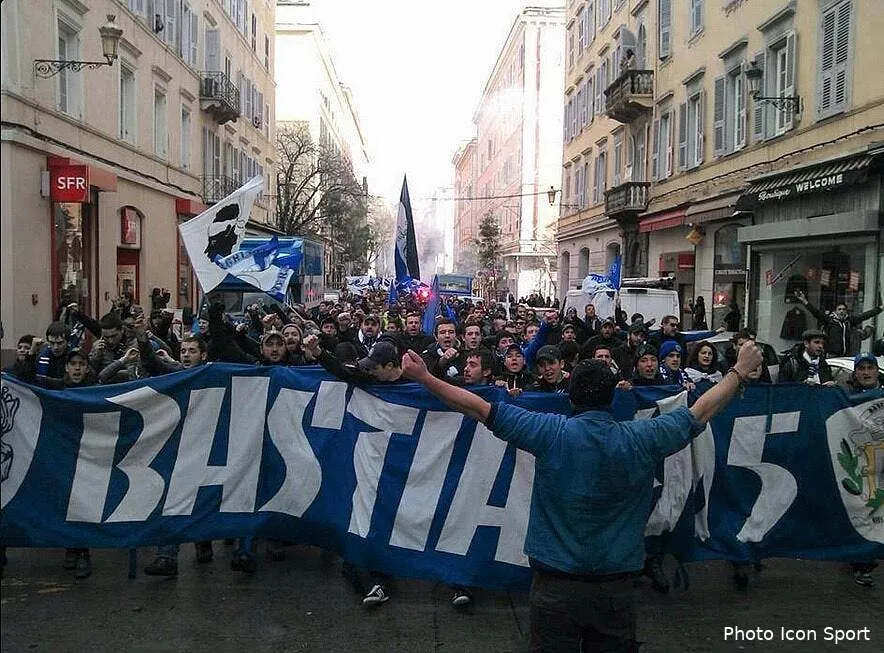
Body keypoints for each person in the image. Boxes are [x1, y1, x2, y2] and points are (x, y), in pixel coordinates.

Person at [401, 338, 763, 652]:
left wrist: (425, 377)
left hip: (553, 589)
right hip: (615, 591)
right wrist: (739, 372)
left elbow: (478, 408)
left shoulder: (549, 432)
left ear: (570, 394)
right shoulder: (642, 438)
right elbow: (701, 411)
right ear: (611, 398)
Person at [794, 290, 883, 357]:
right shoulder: (829, 321)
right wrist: (804, 301)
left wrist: (880, 308)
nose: (841, 311)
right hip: (832, 355)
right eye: (839, 309)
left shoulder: (849, 321)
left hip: (847, 356)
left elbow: (865, 315)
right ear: (835, 311)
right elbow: (815, 312)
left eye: (843, 309)